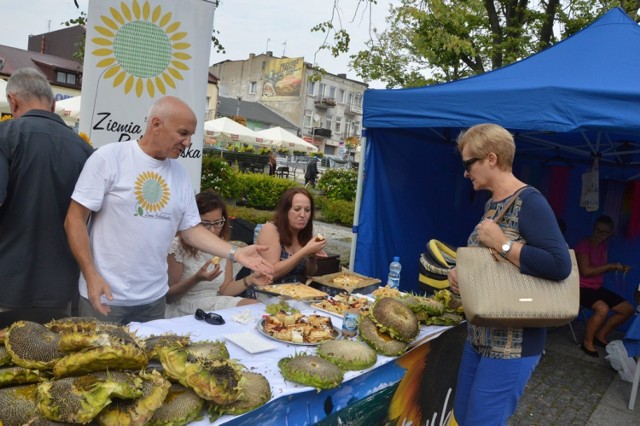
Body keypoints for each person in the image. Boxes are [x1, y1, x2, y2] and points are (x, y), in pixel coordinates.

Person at [64, 96, 273, 325]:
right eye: (183, 133)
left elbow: (191, 230)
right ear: (155, 124)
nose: (188, 142)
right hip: (106, 298)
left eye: (191, 135)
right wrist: (91, 274)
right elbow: (74, 220)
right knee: (100, 360)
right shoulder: (109, 158)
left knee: (148, 361)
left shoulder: (180, 175)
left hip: (153, 301)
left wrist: (235, 253)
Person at [447, 123, 571, 425]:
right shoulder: (493, 205)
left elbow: (559, 264)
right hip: (479, 335)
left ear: (491, 158)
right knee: (463, 416)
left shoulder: (530, 201)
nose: (465, 172)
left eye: (468, 163)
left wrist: (502, 243)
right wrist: (463, 274)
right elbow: (495, 268)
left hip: (513, 345)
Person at [0, 68, 94, 314]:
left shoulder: (4, 136)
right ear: (53, 105)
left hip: (7, 283)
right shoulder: (84, 149)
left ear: (13, 101)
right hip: (62, 287)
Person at [165, 191, 271, 318]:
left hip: (215, 302)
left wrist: (250, 279)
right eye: (205, 224)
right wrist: (196, 279)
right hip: (185, 307)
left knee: (257, 308)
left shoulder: (222, 247)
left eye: (217, 223)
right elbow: (169, 297)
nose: (213, 230)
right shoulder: (178, 246)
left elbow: (225, 290)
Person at [575, 215, 634, 357]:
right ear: (593, 228)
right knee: (602, 309)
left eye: (605, 232)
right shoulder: (584, 245)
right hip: (581, 288)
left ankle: (600, 335)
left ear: (610, 233)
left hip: (596, 287)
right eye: (598, 230)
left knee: (627, 309)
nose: (600, 234)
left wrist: (616, 268)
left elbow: (601, 268)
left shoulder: (603, 245)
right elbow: (586, 271)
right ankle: (587, 342)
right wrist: (610, 265)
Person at [256, 187, 327, 284]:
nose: (303, 215)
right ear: (285, 211)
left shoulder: (305, 234)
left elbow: (309, 273)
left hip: (298, 292)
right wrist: (305, 251)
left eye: (307, 210)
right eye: (297, 209)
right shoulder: (270, 229)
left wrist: (312, 256)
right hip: (269, 293)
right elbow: (270, 274)